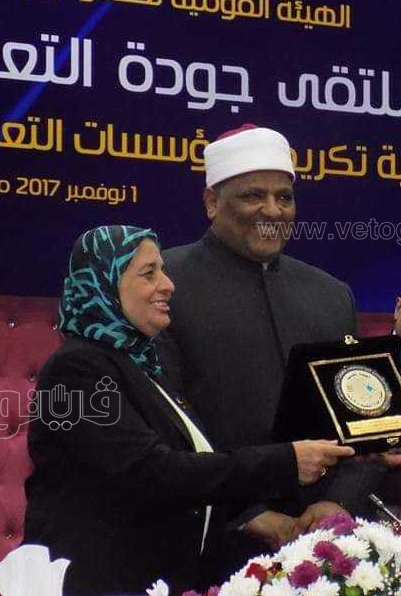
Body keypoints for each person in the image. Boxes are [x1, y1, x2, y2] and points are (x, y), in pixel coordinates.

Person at [23, 225, 353, 596]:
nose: (168, 285)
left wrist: (256, 516)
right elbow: (154, 472)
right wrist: (287, 461)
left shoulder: (140, 365)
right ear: (105, 283)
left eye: (163, 271)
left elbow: (193, 464)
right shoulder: (75, 369)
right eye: (149, 273)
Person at [159, 125, 381, 582]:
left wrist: (336, 502)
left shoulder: (331, 294)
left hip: (323, 550)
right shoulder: (165, 285)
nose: (273, 210)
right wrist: (248, 514)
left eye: (284, 197)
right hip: (207, 540)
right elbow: (164, 428)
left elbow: (363, 420)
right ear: (211, 203)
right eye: (253, 196)